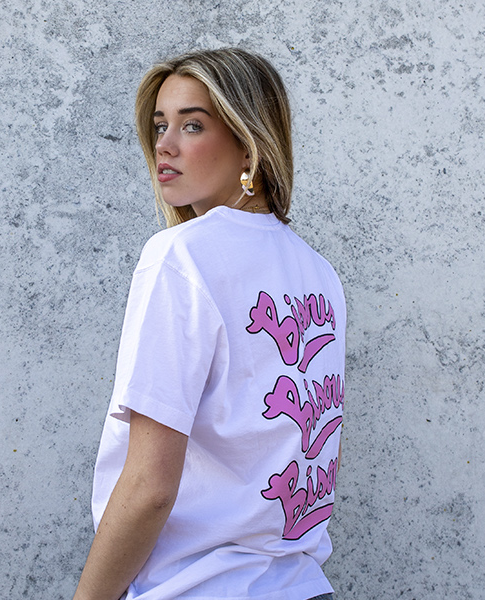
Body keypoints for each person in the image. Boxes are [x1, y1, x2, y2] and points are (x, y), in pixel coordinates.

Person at [74, 47, 344, 600]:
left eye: (192, 125)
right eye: (160, 125)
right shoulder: (318, 274)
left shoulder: (180, 256)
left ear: (249, 142)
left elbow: (149, 487)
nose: (164, 145)